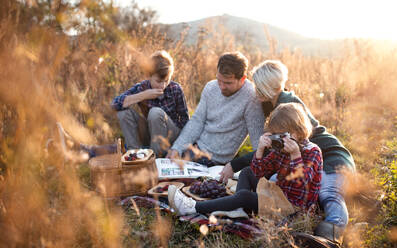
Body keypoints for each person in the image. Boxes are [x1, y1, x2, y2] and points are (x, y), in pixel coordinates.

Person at [219, 60, 355, 248]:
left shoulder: (286, 104)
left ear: (267, 87)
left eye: (258, 85)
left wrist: (234, 164)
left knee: (328, 194)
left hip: (331, 156)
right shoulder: (274, 102)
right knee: (278, 182)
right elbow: (270, 156)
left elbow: (269, 150)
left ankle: (330, 237)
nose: (255, 89)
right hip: (303, 162)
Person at [168, 103, 323, 220]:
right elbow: (258, 172)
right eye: (273, 134)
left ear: (295, 131)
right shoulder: (281, 147)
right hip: (279, 193)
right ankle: (239, 210)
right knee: (247, 172)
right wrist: (261, 150)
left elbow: (302, 182)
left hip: (294, 208)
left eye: (279, 135)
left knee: (244, 197)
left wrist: (295, 155)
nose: (277, 139)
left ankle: (193, 207)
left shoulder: (312, 152)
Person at [166, 52, 264, 166]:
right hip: (194, 149)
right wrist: (177, 148)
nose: (221, 86)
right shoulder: (210, 87)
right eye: (219, 80)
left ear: (243, 79)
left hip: (216, 162)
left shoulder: (252, 98)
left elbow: (257, 141)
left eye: (228, 83)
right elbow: (197, 121)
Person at [111, 50, 189, 157]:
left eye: (166, 81)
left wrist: (178, 146)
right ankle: (135, 156)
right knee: (123, 113)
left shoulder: (175, 89)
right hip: (151, 133)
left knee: (155, 112)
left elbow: (185, 121)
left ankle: (156, 157)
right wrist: (143, 95)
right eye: (158, 81)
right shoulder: (143, 87)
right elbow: (114, 104)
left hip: (171, 134)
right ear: (149, 76)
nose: (162, 86)